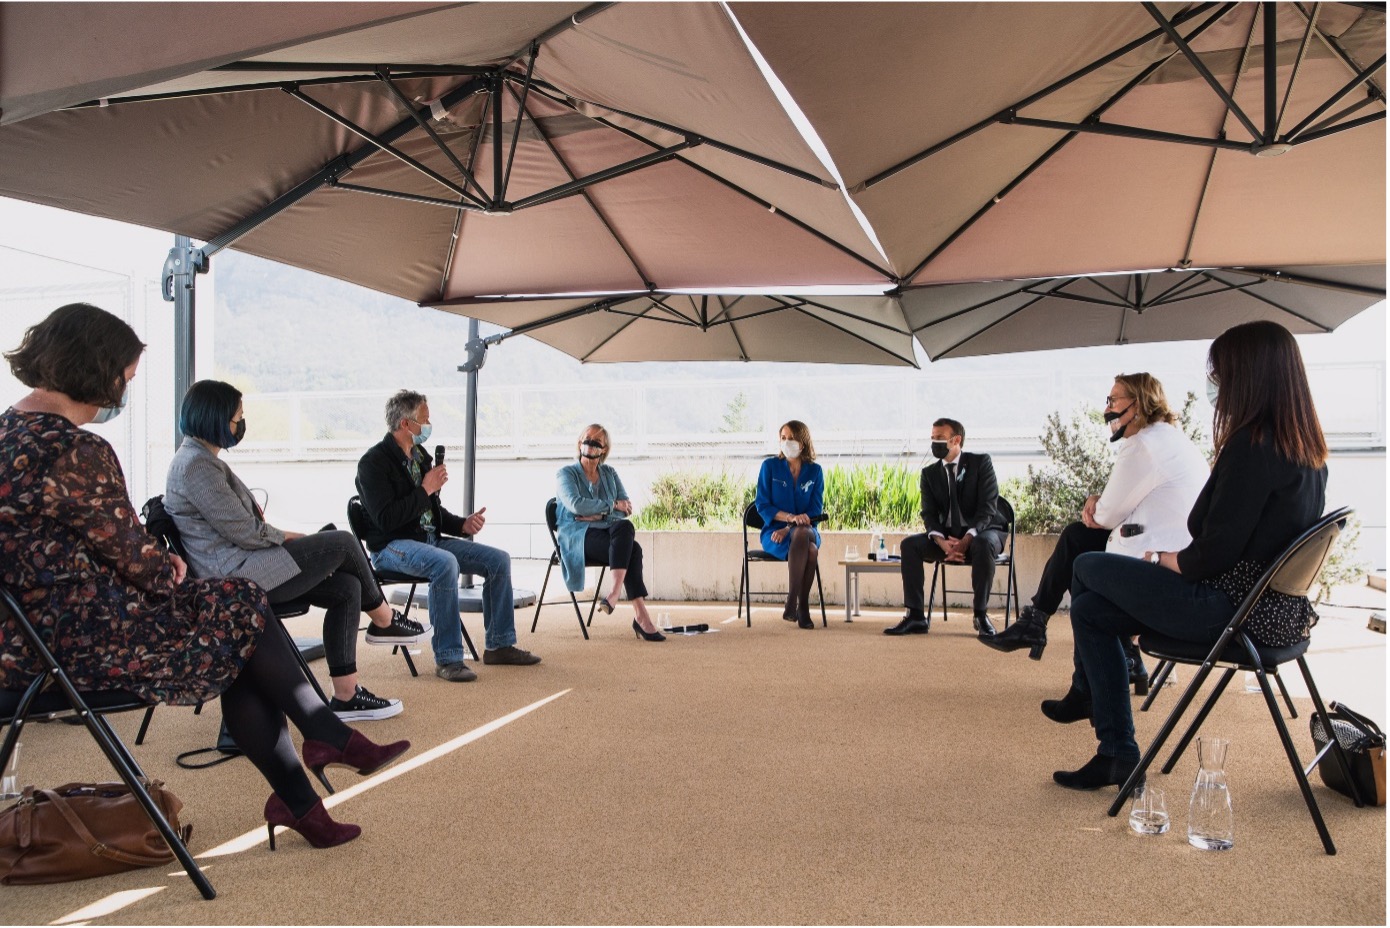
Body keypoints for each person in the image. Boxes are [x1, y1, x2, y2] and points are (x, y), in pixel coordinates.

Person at [0, 304, 407, 849]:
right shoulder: (75, 449)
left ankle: (306, 787)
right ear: (94, 369)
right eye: (124, 378)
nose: (123, 392)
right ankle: (323, 744)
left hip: (19, 642)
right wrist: (165, 563)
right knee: (239, 610)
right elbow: (140, 564)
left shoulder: (8, 436)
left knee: (234, 620)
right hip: (77, 647)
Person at [1048, 321, 1328, 790]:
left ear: (1249, 375)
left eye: (1220, 372)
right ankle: (1114, 750)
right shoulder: (1308, 448)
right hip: (1278, 613)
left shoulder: (1252, 446)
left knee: (1086, 564)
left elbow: (1212, 552)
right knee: (1093, 610)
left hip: (1232, 611)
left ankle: (1102, 721)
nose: (1216, 382)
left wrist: (1164, 561)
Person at [166, 379, 426, 722]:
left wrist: (291, 537)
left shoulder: (202, 460)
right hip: (237, 576)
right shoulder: (196, 466)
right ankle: (385, 620)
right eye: (236, 418)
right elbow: (245, 532)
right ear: (213, 418)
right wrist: (289, 536)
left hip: (248, 562)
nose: (240, 425)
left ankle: (346, 696)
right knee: (343, 541)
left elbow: (240, 528)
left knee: (347, 588)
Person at [982, 373, 1209, 689]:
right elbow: (1123, 504)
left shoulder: (1142, 445)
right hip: (1175, 553)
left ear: (1139, 404)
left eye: (1114, 400)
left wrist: (1096, 504)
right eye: (1108, 401)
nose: (1108, 409)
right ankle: (1118, 660)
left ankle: (1055, 642)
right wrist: (1100, 505)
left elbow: (1105, 515)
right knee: (1079, 541)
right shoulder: (1169, 437)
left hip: (1160, 563)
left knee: (1083, 555)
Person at [356, 389, 539, 681]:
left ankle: (500, 645)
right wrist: (425, 489)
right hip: (391, 547)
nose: (428, 426)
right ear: (405, 424)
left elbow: (433, 511)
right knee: (444, 564)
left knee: (499, 560)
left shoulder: (420, 457)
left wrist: (462, 525)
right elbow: (386, 519)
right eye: (424, 420)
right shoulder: (372, 464)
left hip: (429, 541)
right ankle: (448, 658)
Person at [886, 417, 1006, 638]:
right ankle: (915, 616)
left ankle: (980, 616)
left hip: (984, 533)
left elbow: (988, 509)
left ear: (956, 440)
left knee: (982, 542)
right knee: (910, 545)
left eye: (939, 438)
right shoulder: (929, 474)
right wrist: (943, 543)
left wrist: (966, 541)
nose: (934, 443)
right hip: (948, 539)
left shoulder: (981, 463)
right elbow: (929, 514)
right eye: (932, 438)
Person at [555, 424, 662, 641]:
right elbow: (577, 506)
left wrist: (600, 515)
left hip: (607, 533)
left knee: (625, 529)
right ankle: (639, 615)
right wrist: (611, 507)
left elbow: (627, 510)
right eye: (586, 440)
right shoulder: (565, 474)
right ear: (579, 443)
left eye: (596, 442)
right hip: (578, 537)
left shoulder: (610, 473)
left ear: (603, 449)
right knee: (633, 548)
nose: (590, 445)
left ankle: (614, 595)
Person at [752, 420, 825, 629]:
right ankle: (802, 608)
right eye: (783, 438)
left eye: (791, 438)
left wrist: (790, 527)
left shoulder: (815, 471)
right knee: (810, 551)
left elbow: (814, 510)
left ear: (802, 442)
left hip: (807, 529)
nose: (786, 442)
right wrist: (788, 521)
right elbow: (762, 505)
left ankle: (792, 600)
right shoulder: (769, 467)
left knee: (803, 534)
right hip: (774, 534)